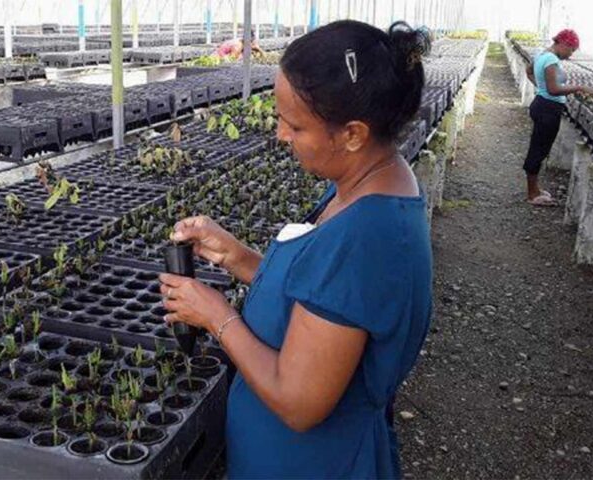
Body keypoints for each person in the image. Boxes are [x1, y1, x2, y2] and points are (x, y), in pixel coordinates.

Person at [159, 20, 433, 479]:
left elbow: (298, 401)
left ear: (352, 134)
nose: (281, 135)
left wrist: (216, 317)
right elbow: (327, 301)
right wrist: (236, 257)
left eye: (295, 125)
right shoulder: (365, 184)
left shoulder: (367, 237)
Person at [523, 29, 593, 206]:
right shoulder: (551, 59)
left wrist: (540, 87)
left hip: (542, 105)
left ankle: (535, 189)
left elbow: (529, 70)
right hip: (548, 109)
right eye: (571, 50)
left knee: (540, 147)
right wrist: (579, 88)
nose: (570, 55)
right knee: (538, 150)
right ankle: (532, 194)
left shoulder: (543, 55)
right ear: (563, 44)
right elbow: (554, 89)